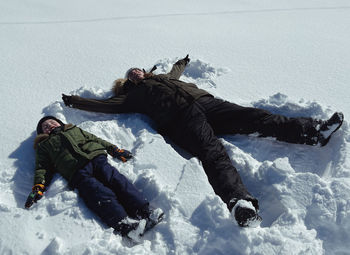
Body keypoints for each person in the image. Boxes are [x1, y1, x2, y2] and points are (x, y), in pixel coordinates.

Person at [61, 55, 344, 227]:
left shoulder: (163, 77)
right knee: (213, 152)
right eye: (130, 74)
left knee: (257, 118)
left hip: (207, 104)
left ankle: (314, 132)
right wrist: (75, 101)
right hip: (182, 119)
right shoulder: (130, 97)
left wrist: (182, 63)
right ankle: (239, 202)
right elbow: (103, 106)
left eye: (137, 69)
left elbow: (175, 72)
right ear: (126, 82)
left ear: (144, 71)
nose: (135, 72)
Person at [25, 116, 164, 239]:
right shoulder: (44, 146)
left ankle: (144, 212)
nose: (49, 125)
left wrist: (114, 149)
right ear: (42, 133)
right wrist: (39, 185)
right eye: (45, 127)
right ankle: (125, 225)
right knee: (98, 193)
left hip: (97, 159)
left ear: (59, 123)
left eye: (51, 122)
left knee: (117, 181)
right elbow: (42, 167)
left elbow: (94, 139)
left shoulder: (73, 129)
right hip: (76, 171)